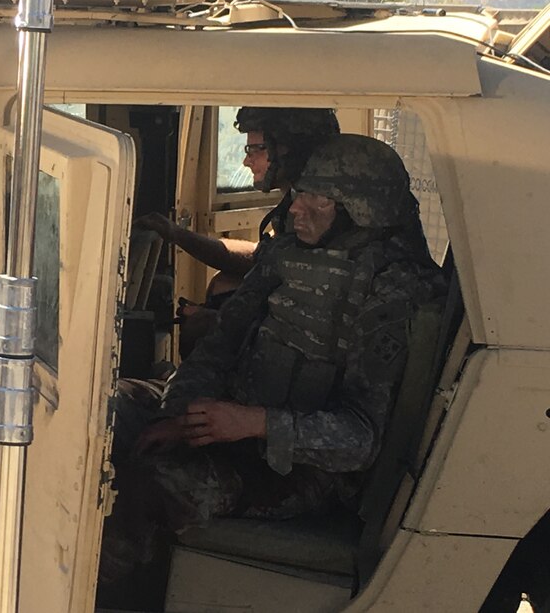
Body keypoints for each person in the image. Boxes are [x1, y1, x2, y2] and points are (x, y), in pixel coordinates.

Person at [100, 134, 445, 589]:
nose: (296, 208)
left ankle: (103, 593)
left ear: (361, 208)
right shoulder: (286, 256)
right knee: (103, 411)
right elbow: (219, 346)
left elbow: (361, 440)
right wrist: (180, 417)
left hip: (298, 468)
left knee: (152, 483)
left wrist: (255, 423)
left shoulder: (393, 292)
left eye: (316, 198)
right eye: (298, 193)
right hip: (228, 417)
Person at [136, 107, 340, 357]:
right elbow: (261, 259)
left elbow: (309, 323)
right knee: (223, 285)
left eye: (257, 149)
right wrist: (177, 234)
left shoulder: (324, 217)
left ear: (291, 149)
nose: (247, 160)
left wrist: (214, 320)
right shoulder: (297, 206)